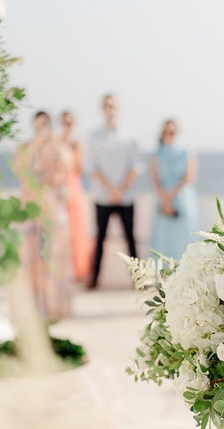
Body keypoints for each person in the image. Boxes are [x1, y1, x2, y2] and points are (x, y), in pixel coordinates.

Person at [15, 111, 73, 321]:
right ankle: (32, 306)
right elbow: (20, 168)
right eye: (38, 125)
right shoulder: (26, 149)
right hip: (31, 212)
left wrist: (54, 144)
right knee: (31, 260)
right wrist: (37, 144)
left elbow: (68, 169)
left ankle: (56, 306)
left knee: (56, 259)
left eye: (46, 124)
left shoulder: (58, 149)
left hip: (54, 212)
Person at [85, 94, 141, 289]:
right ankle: (94, 279)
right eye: (106, 106)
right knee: (99, 239)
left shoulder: (130, 135)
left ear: (117, 109)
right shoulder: (94, 136)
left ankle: (138, 280)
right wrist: (110, 189)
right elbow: (91, 167)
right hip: (102, 197)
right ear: (102, 109)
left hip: (125, 197)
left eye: (112, 106)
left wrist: (120, 190)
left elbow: (136, 167)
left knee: (130, 240)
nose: (110, 110)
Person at [149, 119, 198, 259]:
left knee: (184, 238)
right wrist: (164, 198)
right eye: (166, 132)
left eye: (173, 132)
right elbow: (154, 178)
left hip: (182, 198)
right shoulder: (157, 154)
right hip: (163, 199)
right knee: (163, 240)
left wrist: (172, 194)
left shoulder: (186, 152)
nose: (170, 134)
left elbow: (189, 177)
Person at [59, 110, 92, 282]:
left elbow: (79, 168)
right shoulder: (56, 142)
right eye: (65, 122)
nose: (67, 126)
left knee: (77, 229)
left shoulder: (76, 144)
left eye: (70, 123)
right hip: (59, 188)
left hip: (74, 186)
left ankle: (78, 270)